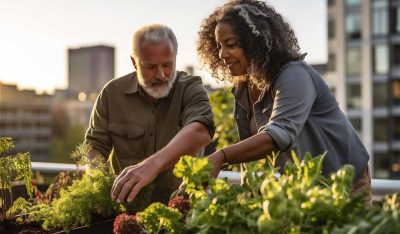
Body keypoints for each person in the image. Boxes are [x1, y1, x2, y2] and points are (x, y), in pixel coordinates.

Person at [197, 0, 372, 203]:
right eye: (219, 46)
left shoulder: (294, 75)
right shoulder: (242, 86)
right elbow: (252, 150)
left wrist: (221, 157)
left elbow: (277, 135)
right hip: (304, 192)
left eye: (231, 45)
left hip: (344, 184)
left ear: (255, 42)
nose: (222, 54)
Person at [85, 24, 214, 205]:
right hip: (125, 212)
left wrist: (152, 165)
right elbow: (94, 147)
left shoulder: (191, 88)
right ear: (134, 62)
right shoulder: (111, 94)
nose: (161, 75)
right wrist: (104, 186)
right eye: (151, 67)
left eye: (167, 65)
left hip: (183, 210)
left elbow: (200, 131)